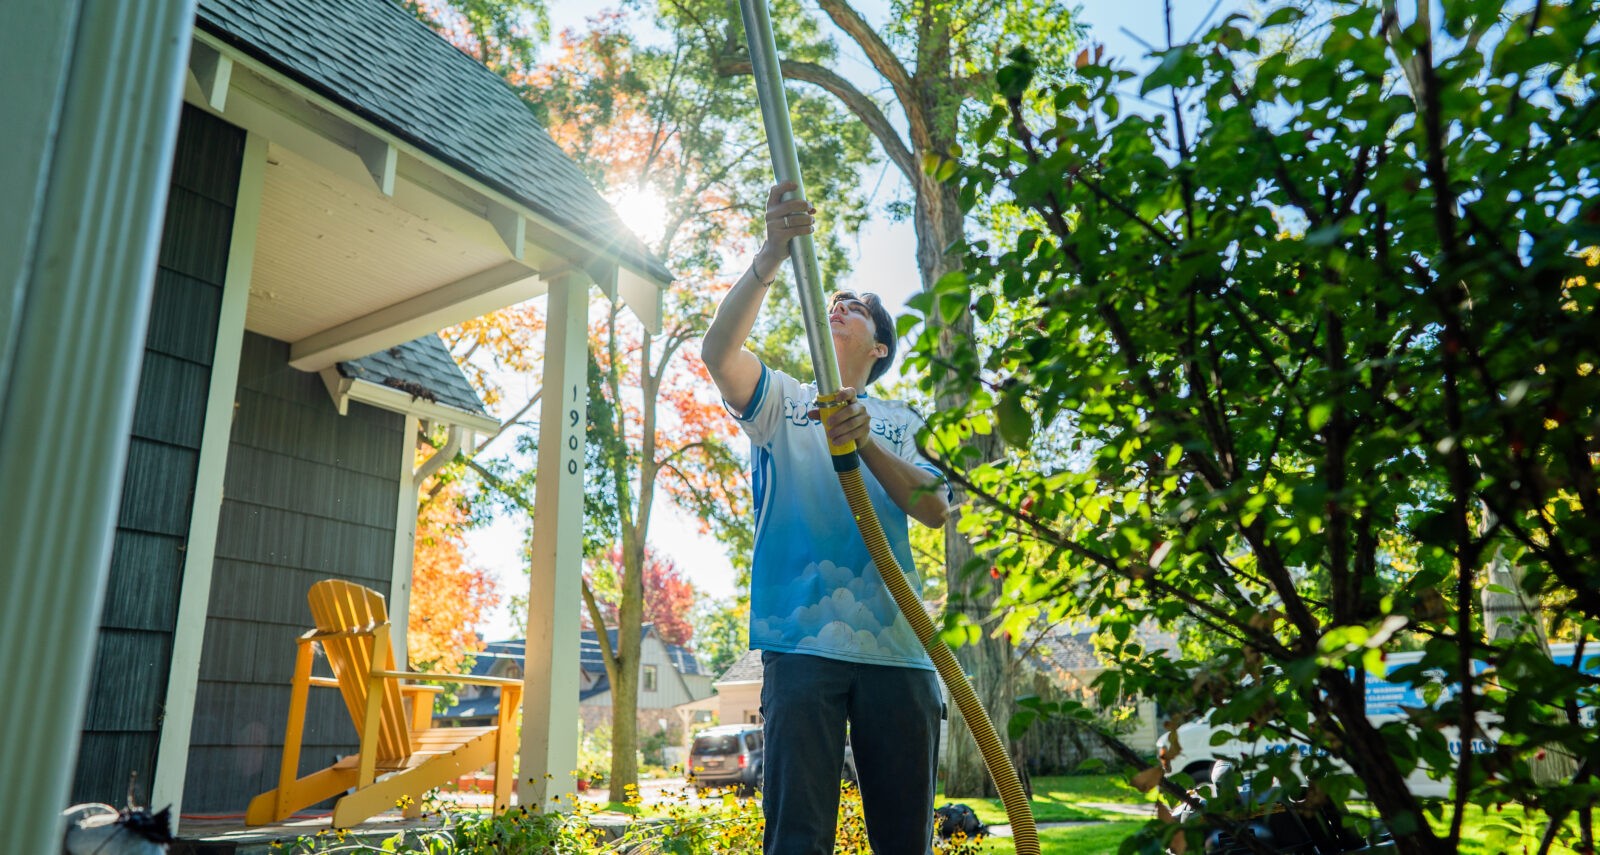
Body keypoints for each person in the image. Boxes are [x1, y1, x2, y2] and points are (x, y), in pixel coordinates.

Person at [701, 182, 951, 855]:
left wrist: (863, 438)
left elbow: (933, 508)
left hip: (898, 653)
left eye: (859, 308)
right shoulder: (781, 400)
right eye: (835, 300)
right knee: (797, 840)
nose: (841, 306)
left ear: (879, 349)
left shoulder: (903, 422)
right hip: (801, 646)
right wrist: (770, 256)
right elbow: (718, 355)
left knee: (905, 842)